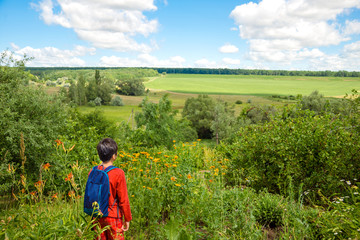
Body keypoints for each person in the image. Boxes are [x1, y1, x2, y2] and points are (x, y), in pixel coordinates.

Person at [91, 138, 132, 240]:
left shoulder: (93, 171)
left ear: (99, 155)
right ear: (114, 156)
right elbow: (123, 199)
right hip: (113, 216)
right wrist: (127, 218)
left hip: (97, 215)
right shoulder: (118, 173)